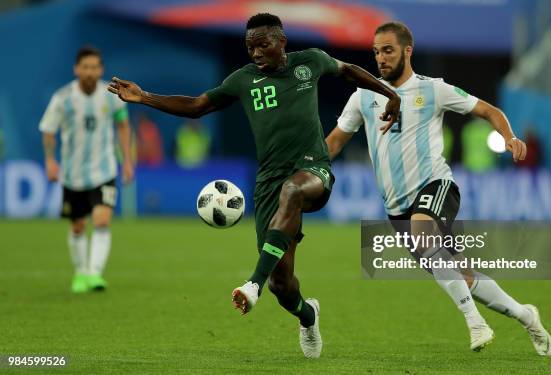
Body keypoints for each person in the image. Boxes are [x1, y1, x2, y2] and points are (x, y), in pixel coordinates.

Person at [107, 13, 400, 358]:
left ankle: (252, 284)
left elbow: (349, 69)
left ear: (281, 41)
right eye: (250, 47)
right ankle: (308, 315)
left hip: (312, 170)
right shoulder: (242, 80)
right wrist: (146, 98)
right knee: (283, 285)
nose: (256, 53)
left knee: (293, 191)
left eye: (263, 44)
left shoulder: (311, 62)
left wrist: (389, 94)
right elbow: (199, 105)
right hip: (268, 184)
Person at [325, 22, 551, 356]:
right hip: (396, 208)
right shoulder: (363, 96)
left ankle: (475, 323)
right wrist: (307, 167)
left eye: (387, 50)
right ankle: (526, 315)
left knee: (423, 233)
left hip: (437, 186)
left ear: (407, 50)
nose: (380, 58)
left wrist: (509, 136)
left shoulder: (433, 90)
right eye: (376, 51)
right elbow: (334, 141)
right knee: (464, 275)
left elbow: (488, 110)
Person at [40, 46, 133, 293]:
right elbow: (48, 130)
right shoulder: (63, 98)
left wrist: (127, 161)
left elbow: (123, 125)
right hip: (73, 174)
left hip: (104, 170)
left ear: (100, 69)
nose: (90, 72)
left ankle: (94, 274)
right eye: (85, 67)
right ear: (77, 69)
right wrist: (50, 161)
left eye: (94, 67)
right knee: (78, 225)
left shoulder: (111, 96)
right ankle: (80, 273)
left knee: (102, 220)